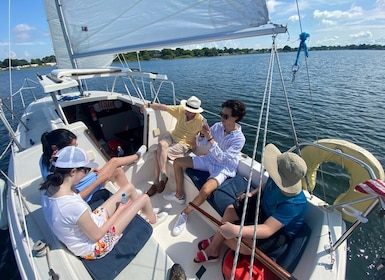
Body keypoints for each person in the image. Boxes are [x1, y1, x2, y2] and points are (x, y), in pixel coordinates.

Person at [40, 146, 168, 259]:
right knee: (144, 198)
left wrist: (97, 178)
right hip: (96, 246)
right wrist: (120, 211)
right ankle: (152, 220)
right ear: (73, 171)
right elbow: (97, 236)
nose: (87, 173)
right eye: (85, 170)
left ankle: (140, 210)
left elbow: (76, 200)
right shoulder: (72, 207)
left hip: (93, 221)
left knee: (128, 189)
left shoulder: (51, 188)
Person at [193, 143, 308, 263]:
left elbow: (268, 228)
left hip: (279, 231)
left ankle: (215, 242)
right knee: (230, 210)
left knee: (242, 245)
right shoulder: (278, 179)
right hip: (265, 208)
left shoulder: (294, 204)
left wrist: (237, 230)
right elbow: (265, 186)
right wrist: (252, 194)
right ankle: (214, 249)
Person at [164, 99, 247, 236]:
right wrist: (202, 134)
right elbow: (200, 142)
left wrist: (210, 139)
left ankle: (184, 213)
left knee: (205, 190)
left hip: (223, 168)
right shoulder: (218, 126)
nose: (222, 118)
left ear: (236, 118)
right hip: (209, 159)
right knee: (177, 162)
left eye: (225, 116)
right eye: (221, 114)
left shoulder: (239, 139)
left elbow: (223, 158)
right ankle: (179, 194)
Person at [40, 128, 147, 204]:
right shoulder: (54, 169)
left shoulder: (45, 160)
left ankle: (131, 194)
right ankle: (137, 156)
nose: (75, 150)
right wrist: (98, 181)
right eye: (72, 147)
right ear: (55, 148)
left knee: (118, 170)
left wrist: (88, 173)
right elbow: (74, 195)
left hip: (82, 183)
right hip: (83, 190)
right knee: (114, 161)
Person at [143, 96, 204, 197]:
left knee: (155, 153)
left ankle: (156, 182)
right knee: (161, 144)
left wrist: (197, 141)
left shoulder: (200, 121)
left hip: (183, 144)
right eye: (187, 109)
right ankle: (163, 174)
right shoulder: (181, 110)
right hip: (172, 136)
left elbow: (203, 136)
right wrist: (148, 105)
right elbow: (164, 107)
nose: (187, 111)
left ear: (196, 112)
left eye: (190, 110)